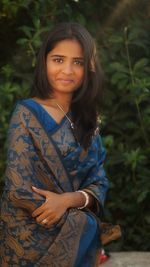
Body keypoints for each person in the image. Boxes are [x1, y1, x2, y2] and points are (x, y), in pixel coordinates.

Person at [0, 22, 109, 267]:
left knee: (85, 225)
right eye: (58, 60)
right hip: (28, 231)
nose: (67, 70)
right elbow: (18, 189)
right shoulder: (27, 113)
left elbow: (99, 181)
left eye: (78, 62)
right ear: (44, 62)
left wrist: (67, 200)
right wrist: (62, 213)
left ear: (88, 68)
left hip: (75, 225)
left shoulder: (89, 120)